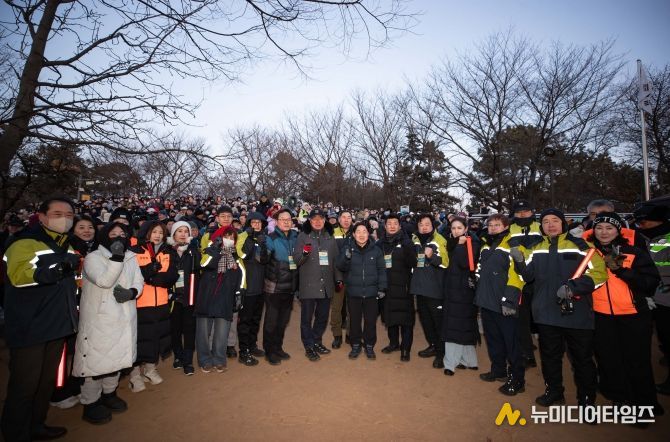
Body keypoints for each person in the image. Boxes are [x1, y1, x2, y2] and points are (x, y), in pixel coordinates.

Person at [1, 197, 79, 441]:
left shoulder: (65, 244)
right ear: (42, 216)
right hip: (30, 326)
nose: (64, 219)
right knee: (25, 384)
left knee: (46, 382)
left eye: (69, 215)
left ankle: (37, 425)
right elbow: (18, 275)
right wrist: (59, 269)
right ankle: (15, 433)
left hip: (58, 324)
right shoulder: (23, 242)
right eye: (57, 214)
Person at [517, 208, 608, 407]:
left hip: (577, 313)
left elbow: (600, 274)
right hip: (546, 313)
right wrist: (520, 263)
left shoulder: (582, 245)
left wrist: (573, 287)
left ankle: (587, 399)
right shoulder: (535, 247)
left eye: (555, 220)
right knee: (550, 357)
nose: (550, 225)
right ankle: (554, 392)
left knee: (582, 359)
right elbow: (528, 277)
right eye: (546, 221)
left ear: (563, 223)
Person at [586, 212, 664, 418]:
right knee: (608, 360)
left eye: (609, 228)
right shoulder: (588, 252)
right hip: (601, 315)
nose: (604, 232)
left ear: (618, 230)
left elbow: (650, 283)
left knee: (637, 361)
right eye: (599, 228)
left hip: (633, 315)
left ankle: (646, 405)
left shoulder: (633, 252)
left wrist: (622, 270)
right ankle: (620, 400)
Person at [74, 222, 144, 424]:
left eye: (122, 234)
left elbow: (138, 280)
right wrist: (116, 257)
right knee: (96, 360)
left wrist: (132, 292)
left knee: (117, 356)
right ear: (104, 236)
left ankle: (109, 393)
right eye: (113, 234)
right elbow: (105, 280)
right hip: (101, 317)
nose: (119, 237)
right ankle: (90, 401)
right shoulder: (93, 258)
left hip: (125, 314)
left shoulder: (131, 256)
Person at [49, 215, 98, 410]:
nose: (87, 231)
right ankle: (58, 391)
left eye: (90, 227)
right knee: (63, 351)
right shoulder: (66, 249)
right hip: (68, 307)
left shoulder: (95, 250)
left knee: (81, 349)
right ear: (73, 230)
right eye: (81, 227)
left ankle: (75, 383)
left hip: (89, 306)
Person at [475, 213, 525, 395]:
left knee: (511, 342)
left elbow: (518, 275)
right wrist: (476, 280)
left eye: (497, 225)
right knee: (493, 339)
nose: (493, 228)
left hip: (504, 301)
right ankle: (498, 370)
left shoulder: (513, 244)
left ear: (505, 226)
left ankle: (517, 379)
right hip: (487, 300)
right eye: (490, 225)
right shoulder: (486, 245)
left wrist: (510, 299)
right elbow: (480, 268)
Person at [129, 221, 178, 392]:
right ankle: (135, 374)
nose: (158, 235)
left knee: (156, 337)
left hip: (161, 302)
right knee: (139, 340)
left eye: (161, 232)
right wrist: (150, 273)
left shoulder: (168, 251)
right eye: (154, 231)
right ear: (146, 232)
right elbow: (133, 276)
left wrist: (152, 278)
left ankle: (150, 369)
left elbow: (172, 276)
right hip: (140, 303)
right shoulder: (134, 251)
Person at [293, 208, 342, 361]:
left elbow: (335, 261)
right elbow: (296, 260)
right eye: (314, 219)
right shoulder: (303, 236)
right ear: (309, 221)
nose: (318, 221)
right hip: (308, 285)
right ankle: (309, 346)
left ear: (324, 220)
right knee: (306, 319)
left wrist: (338, 279)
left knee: (322, 317)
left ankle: (316, 341)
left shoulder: (330, 237)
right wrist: (304, 254)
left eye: (320, 218)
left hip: (326, 285)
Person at [195, 225, 244, 373]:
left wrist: (238, 294)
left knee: (222, 333)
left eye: (232, 237)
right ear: (219, 237)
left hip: (225, 299)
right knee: (203, 332)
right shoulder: (209, 251)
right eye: (226, 236)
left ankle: (219, 359)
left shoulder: (236, 258)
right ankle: (204, 360)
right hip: (206, 297)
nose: (229, 239)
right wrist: (215, 249)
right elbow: (203, 264)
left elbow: (241, 278)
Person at [633, 203, 670, 395]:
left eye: (644, 221)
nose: (640, 225)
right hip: (651, 296)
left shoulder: (665, 238)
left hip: (665, 295)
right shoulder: (643, 237)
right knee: (661, 335)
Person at [336, 222, 387, 359]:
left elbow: (381, 270)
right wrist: (346, 257)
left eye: (364, 231)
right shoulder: (348, 248)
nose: (361, 234)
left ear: (368, 233)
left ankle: (369, 346)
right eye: (358, 232)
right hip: (353, 292)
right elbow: (340, 266)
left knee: (370, 321)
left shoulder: (376, 250)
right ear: (353, 234)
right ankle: (356, 345)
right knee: (354, 321)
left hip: (372, 293)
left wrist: (382, 287)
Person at [442, 217, 481, 375]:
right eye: (453, 228)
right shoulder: (452, 243)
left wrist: (459, 246)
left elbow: (465, 263)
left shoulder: (472, 242)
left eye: (459, 228)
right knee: (462, 323)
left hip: (463, 290)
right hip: (454, 288)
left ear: (466, 229)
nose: (456, 231)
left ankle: (450, 363)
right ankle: (469, 360)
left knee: (456, 324)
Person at [409, 213, 449, 368]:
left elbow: (446, 263)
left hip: (435, 289)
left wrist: (432, 257)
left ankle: (442, 353)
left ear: (433, 225)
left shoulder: (439, 240)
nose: (424, 227)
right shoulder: (415, 240)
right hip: (420, 288)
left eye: (427, 224)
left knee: (437, 322)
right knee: (425, 321)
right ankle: (433, 345)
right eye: (421, 225)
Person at [507, 200, 543, 368]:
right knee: (521, 319)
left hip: (540, 278)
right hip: (519, 279)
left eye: (526, 211)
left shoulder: (541, 226)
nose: (522, 214)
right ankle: (528, 355)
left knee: (542, 318)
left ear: (532, 212)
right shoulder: (509, 228)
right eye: (519, 211)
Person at [377, 213, 417, 361]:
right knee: (390, 318)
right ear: (385, 226)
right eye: (389, 223)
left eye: (395, 223)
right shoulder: (380, 244)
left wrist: (409, 249)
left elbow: (413, 263)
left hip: (404, 287)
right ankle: (393, 343)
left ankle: (405, 349)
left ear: (400, 226)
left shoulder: (407, 242)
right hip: (387, 287)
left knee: (406, 320)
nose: (392, 226)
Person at [200, 205, 239, 358]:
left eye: (229, 216)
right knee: (212, 316)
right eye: (223, 216)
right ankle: (211, 347)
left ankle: (229, 344)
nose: (226, 219)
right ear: (217, 218)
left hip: (231, 278)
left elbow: (240, 257)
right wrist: (214, 246)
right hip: (213, 279)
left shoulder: (237, 234)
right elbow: (204, 256)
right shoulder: (208, 234)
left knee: (230, 315)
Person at [262, 209, 299, 365]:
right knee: (272, 321)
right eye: (283, 219)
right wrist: (262, 248)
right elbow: (263, 259)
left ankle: (278, 347)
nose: (286, 222)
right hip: (274, 287)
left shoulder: (296, 237)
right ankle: (269, 351)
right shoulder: (270, 238)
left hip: (290, 287)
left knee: (283, 321)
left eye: (288, 219)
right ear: (276, 222)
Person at [167, 221, 200, 376]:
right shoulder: (167, 251)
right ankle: (178, 357)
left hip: (190, 297)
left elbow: (199, 270)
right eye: (179, 231)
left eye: (186, 231)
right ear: (173, 234)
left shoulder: (193, 251)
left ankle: (188, 361)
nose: (182, 234)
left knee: (189, 330)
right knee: (175, 330)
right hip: (173, 298)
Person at [236, 211, 269, 366]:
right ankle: (244, 351)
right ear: (249, 224)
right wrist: (249, 237)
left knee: (256, 319)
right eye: (253, 222)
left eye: (259, 222)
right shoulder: (242, 236)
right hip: (247, 286)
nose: (256, 225)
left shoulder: (264, 238)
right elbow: (242, 255)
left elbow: (265, 260)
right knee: (245, 321)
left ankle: (252, 345)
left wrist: (262, 244)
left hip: (261, 287)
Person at [331, 210, 354, 348]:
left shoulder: (357, 232)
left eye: (349, 217)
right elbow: (331, 256)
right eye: (343, 217)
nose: (346, 220)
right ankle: (337, 335)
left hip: (353, 277)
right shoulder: (332, 233)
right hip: (337, 276)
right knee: (336, 308)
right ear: (339, 219)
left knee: (353, 308)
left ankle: (350, 335)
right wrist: (336, 276)